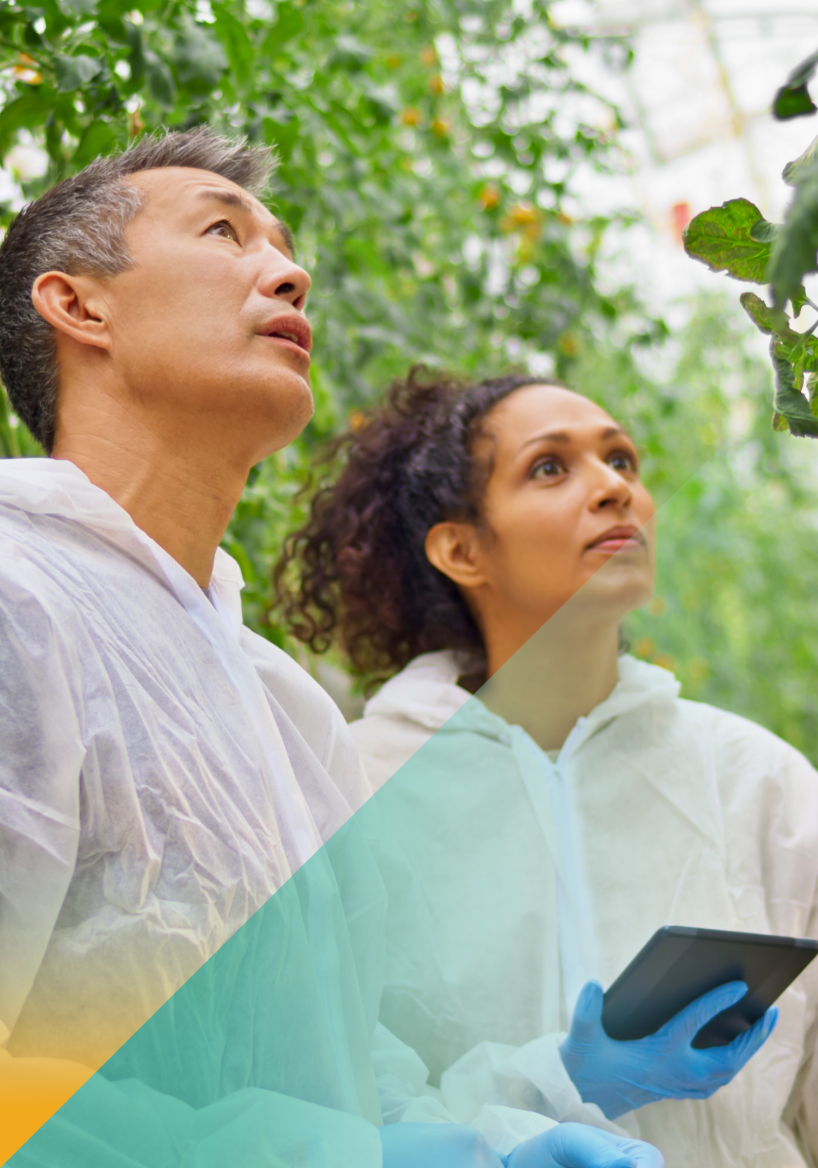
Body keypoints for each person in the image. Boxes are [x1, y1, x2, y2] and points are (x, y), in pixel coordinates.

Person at [0, 130, 667, 1168]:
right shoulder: (20, 597)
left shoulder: (283, 709)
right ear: (80, 306)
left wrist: (499, 1133)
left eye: (283, 241)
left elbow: (347, 1076)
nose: (289, 267)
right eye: (223, 231)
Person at [277, 366, 818, 1166]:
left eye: (622, 461)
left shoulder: (757, 781)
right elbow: (322, 1109)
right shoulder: (351, 786)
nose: (612, 489)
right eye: (550, 467)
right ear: (462, 549)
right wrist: (559, 1086)